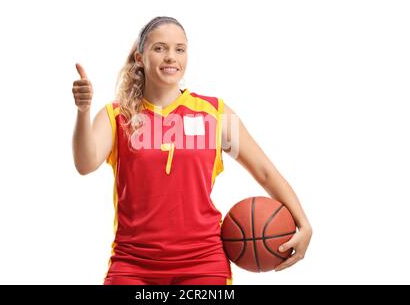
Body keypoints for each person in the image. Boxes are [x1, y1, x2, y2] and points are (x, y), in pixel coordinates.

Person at [71, 16, 312, 285]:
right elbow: (85, 163)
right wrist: (83, 112)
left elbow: (264, 172)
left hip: (203, 262)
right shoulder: (117, 115)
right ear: (140, 57)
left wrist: (303, 222)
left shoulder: (215, 113)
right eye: (159, 48)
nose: (170, 57)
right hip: (133, 262)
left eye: (179, 49)